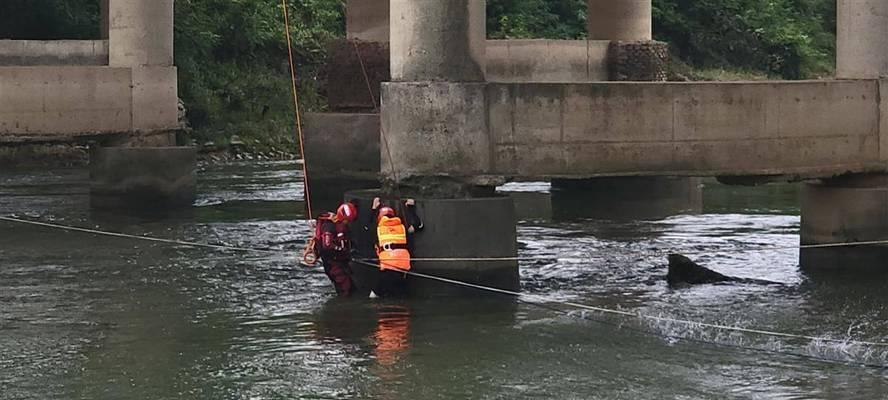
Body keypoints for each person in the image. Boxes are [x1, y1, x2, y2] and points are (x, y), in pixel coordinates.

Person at [370, 197, 423, 298]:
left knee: (373, 297)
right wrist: (411, 208)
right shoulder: (403, 228)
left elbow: (367, 227)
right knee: (400, 296)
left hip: (387, 270)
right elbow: (418, 225)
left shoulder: (378, 230)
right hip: (403, 269)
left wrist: (374, 208)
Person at [311, 202, 359, 296]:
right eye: (347, 221)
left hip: (341, 262)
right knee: (345, 289)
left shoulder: (342, 226)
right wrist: (342, 249)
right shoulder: (329, 226)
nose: (348, 223)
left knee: (351, 288)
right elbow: (327, 245)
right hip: (332, 263)